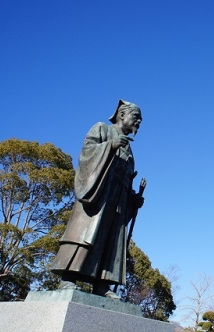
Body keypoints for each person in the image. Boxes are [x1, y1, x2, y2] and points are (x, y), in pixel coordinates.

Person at [51, 100, 144, 299]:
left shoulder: (129, 150)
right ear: (122, 115)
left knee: (110, 240)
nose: (139, 122)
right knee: (86, 236)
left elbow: (125, 180)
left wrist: (133, 199)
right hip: (98, 195)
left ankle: (102, 284)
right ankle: (68, 277)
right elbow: (86, 153)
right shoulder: (102, 129)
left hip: (117, 201)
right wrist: (109, 145)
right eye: (136, 117)